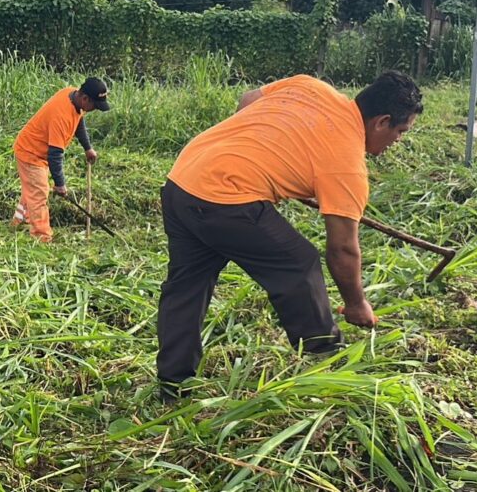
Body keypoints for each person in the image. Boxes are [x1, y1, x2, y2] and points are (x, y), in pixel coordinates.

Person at [155, 71, 422, 400]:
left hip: (183, 180)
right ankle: (326, 363)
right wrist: (356, 304)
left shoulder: (311, 87)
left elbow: (248, 99)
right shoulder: (347, 165)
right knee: (300, 264)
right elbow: (342, 249)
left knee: (186, 287)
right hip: (224, 198)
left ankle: (173, 385)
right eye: (400, 132)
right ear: (382, 122)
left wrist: (260, 147)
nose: (398, 141)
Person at [12, 77, 108, 242]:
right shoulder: (61, 116)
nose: (95, 110)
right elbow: (55, 154)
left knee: (33, 189)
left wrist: (87, 148)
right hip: (31, 152)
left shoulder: (72, 96)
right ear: (85, 98)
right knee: (39, 193)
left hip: (38, 151)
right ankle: (42, 238)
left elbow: (79, 121)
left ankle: (19, 220)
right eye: (95, 106)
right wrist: (60, 184)